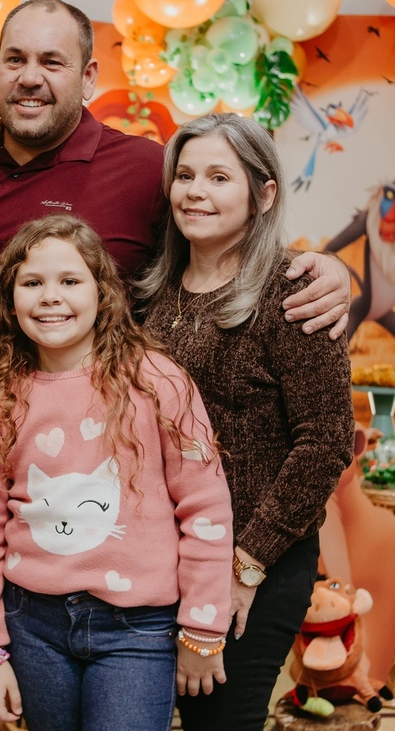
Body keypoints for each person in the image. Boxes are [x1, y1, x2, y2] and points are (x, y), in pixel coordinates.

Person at [0, 0, 352, 731]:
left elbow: (224, 237)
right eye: (15, 59)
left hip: (75, 501)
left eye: (52, 62)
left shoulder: (143, 170)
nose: (30, 77)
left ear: (89, 77)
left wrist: (335, 271)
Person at [0, 215, 233, 730]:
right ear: (9, 300)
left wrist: (203, 629)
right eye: (32, 283)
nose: (50, 297)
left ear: (102, 294)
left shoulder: (157, 382)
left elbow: (206, 509)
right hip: (32, 625)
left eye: (70, 280)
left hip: (138, 630)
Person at [136, 113, 355, 730]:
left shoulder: (294, 293)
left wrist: (244, 565)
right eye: (184, 176)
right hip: (164, 557)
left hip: (258, 561)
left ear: (264, 194)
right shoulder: (151, 292)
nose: (195, 192)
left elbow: (325, 444)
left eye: (218, 177)